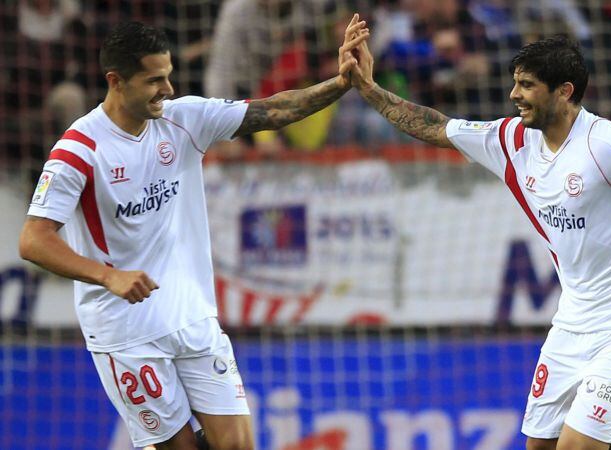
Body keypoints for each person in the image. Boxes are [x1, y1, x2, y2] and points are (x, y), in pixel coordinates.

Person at [348, 27, 611, 450]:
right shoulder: (511, 140)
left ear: (564, 91)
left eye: (527, 85)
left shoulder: (608, 147)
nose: (514, 94)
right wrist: (369, 89)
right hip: (572, 321)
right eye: (515, 82)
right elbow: (434, 127)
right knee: (541, 448)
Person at [18, 18, 369, 450]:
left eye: (168, 76)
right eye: (154, 80)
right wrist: (108, 276)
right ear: (116, 81)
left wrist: (339, 83)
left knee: (239, 445)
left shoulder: (183, 119)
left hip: (193, 316)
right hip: (125, 331)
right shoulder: (79, 150)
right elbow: (34, 239)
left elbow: (274, 110)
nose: (167, 89)